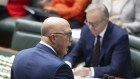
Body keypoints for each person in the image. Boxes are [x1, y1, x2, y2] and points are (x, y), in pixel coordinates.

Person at [64, 3, 134, 79]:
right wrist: (66, 65)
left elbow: (115, 68)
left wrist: (89, 71)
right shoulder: (86, 29)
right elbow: (75, 53)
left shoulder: (120, 36)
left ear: (106, 21)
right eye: (88, 22)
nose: (90, 27)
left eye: (94, 24)